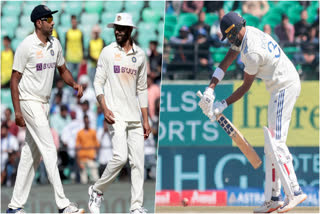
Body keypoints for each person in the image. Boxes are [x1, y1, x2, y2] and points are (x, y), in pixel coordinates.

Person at [198, 12, 307, 213]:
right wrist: (210, 89)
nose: (229, 41)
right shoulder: (247, 34)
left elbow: (246, 86)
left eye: (228, 37)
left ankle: (295, 191)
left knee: (276, 144)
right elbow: (228, 59)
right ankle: (273, 198)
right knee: (270, 146)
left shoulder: (251, 52)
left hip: (284, 86)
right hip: (279, 87)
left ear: (232, 33)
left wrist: (222, 104)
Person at [7, 5, 84, 214]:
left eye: (52, 19)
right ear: (38, 22)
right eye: (48, 19)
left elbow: (63, 70)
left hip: (44, 102)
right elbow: (15, 80)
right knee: (49, 149)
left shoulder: (55, 43)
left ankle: (14, 206)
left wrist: (74, 84)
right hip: (29, 100)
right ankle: (63, 204)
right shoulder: (26, 46)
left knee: (30, 154)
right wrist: (18, 111)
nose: (52, 22)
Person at [88, 13, 151, 214]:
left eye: (122, 28)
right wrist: (104, 107)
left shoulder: (140, 55)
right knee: (120, 157)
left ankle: (136, 207)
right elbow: (97, 82)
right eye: (116, 27)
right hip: (115, 114)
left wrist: (146, 119)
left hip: (134, 116)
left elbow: (142, 89)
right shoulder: (107, 52)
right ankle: (96, 191)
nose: (117, 31)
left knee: (138, 163)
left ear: (130, 30)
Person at [76, 115, 100, 184]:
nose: (86, 122)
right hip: (82, 158)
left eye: (87, 121)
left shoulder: (93, 132)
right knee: (84, 179)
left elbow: (97, 144)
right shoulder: (79, 133)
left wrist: (96, 155)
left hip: (91, 157)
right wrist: (78, 159)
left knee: (95, 177)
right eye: (85, 121)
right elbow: (77, 146)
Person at [65, 15, 85, 80]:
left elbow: (82, 45)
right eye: (73, 22)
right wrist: (65, 57)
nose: (74, 23)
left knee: (79, 76)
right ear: (71, 22)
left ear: (77, 22)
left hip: (79, 57)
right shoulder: (68, 32)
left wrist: (83, 58)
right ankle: (71, 90)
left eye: (75, 22)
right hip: (70, 57)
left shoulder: (80, 32)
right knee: (70, 76)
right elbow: (65, 45)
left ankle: (78, 89)